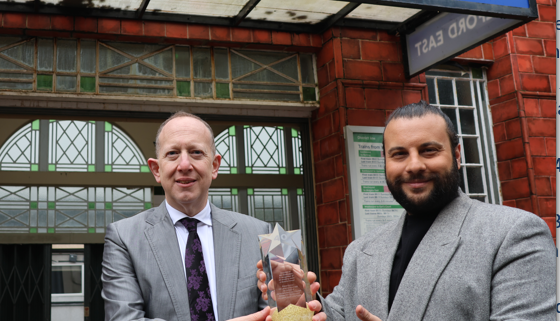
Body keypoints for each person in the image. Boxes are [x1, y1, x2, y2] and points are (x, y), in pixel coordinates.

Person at [259, 101, 555, 320]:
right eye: (399, 154)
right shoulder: (361, 250)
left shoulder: (514, 234)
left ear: (456, 154)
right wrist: (304, 304)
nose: (414, 165)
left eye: (428, 150)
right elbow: (342, 315)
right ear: (386, 163)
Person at [102, 111, 326, 321]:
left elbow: (293, 314)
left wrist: (304, 307)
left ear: (215, 165)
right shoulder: (123, 238)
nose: (184, 165)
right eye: (172, 154)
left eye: (196, 152)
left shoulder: (270, 235)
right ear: (156, 170)